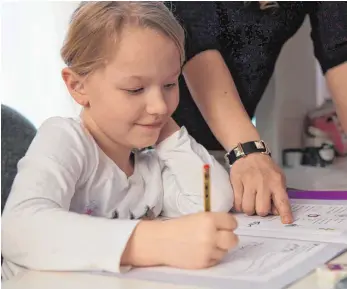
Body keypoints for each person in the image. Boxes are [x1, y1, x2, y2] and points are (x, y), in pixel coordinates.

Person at [1, 2, 239, 280]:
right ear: (78, 86)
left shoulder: (150, 165)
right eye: (135, 89)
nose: (160, 106)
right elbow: (19, 230)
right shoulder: (65, 139)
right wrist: (152, 242)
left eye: (170, 84)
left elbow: (213, 201)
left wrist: (168, 134)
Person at [166, 1, 347, 222]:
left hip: (224, 155)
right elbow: (194, 42)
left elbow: (340, 53)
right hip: (162, 137)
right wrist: (249, 152)